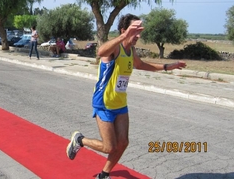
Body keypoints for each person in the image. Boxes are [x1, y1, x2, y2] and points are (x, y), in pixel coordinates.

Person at [66, 14, 187, 179]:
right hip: (104, 103)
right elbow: (101, 51)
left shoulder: (131, 50)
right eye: (134, 31)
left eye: (139, 32)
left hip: (120, 103)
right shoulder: (115, 48)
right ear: (124, 30)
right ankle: (80, 140)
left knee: (123, 143)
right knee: (110, 147)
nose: (138, 35)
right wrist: (123, 36)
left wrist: (167, 67)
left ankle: (104, 175)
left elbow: (141, 64)